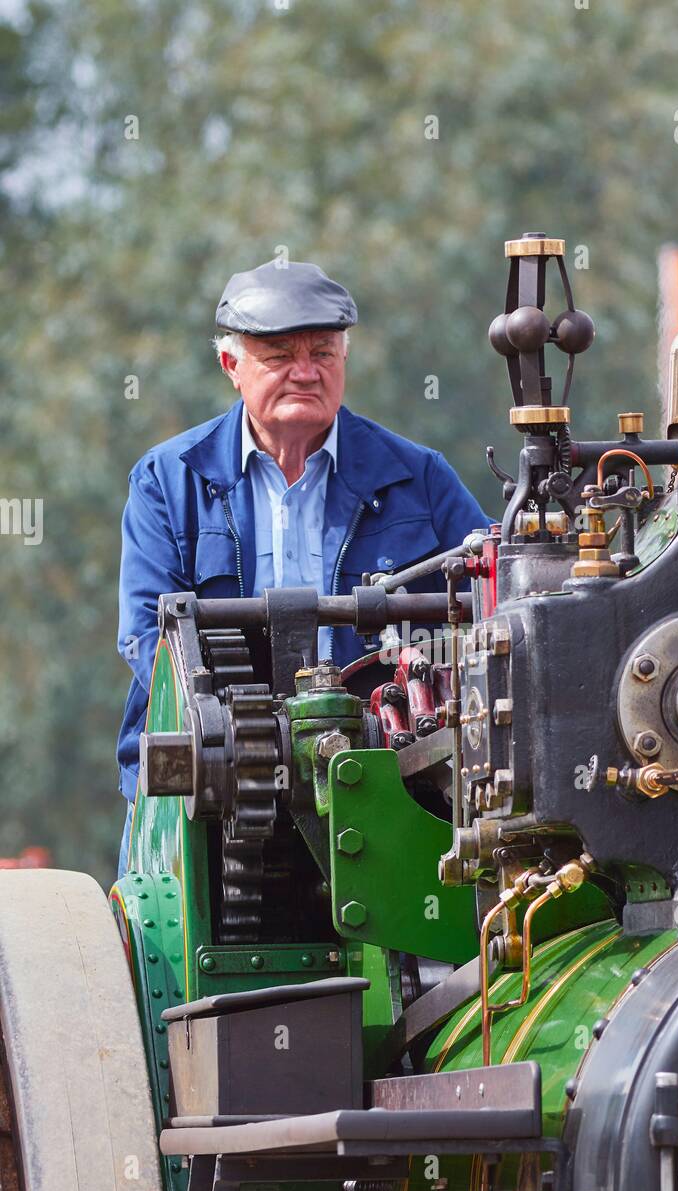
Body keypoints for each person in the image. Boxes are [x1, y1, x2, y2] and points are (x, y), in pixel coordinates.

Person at [116, 258, 489, 876]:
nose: (306, 372)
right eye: (279, 356)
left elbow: (495, 603)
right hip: (209, 787)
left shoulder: (419, 477)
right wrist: (251, 735)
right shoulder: (167, 480)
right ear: (231, 366)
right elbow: (146, 639)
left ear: (345, 359)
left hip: (388, 783)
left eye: (323, 352)